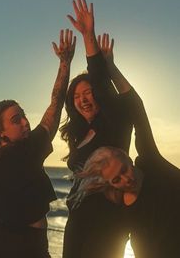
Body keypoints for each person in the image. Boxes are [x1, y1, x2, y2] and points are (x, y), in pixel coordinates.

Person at [0, 29, 76, 258]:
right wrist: (65, 63)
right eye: (15, 120)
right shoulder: (22, 152)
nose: (25, 122)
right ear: (0, 131)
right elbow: (55, 107)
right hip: (22, 250)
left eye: (24, 115)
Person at [76, 49, 180, 258]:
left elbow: (136, 108)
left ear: (127, 157)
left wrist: (110, 68)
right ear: (110, 184)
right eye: (117, 179)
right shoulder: (118, 203)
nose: (127, 179)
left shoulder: (150, 162)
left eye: (124, 169)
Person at [61, 0, 135, 258]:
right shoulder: (79, 135)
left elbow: (103, 84)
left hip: (107, 223)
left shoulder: (114, 124)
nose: (83, 99)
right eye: (77, 96)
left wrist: (88, 36)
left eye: (88, 93)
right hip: (77, 221)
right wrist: (64, 65)